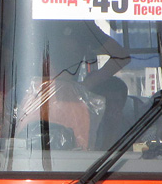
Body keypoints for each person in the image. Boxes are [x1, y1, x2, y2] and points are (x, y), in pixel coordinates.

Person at [13, 21, 128, 150]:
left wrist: (85, 86)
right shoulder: (87, 105)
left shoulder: (22, 93)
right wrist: (87, 85)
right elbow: (121, 56)